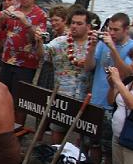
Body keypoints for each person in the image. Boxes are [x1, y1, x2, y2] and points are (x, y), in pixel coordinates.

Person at [85, 12, 133, 164]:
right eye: (110, 29)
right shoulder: (102, 43)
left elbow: (127, 73)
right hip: (96, 100)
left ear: (126, 29)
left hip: (114, 104)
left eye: (116, 30)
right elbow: (89, 67)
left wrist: (113, 48)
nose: (112, 33)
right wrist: (93, 46)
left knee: (109, 149)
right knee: (93, 143)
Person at [41, 8, 95, 144]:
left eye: (79, 23)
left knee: (83, 135)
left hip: (85, 97)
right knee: (57, 130)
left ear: (88, 26)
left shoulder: (95, 45)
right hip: (62, 96)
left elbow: (91, 67)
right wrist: (37, 41)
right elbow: (43, 53)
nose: (74, 26)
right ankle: (56, 159)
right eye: (73, 23)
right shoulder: (60, 41)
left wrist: (93, 47)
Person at [0, 0, 48, 92]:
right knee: (3, 96)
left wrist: (26, 23)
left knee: (18, 99)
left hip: (26, 65)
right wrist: (1, 18)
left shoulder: (41, 15)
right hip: (7, 60)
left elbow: (36, 41)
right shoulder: (13, 8)